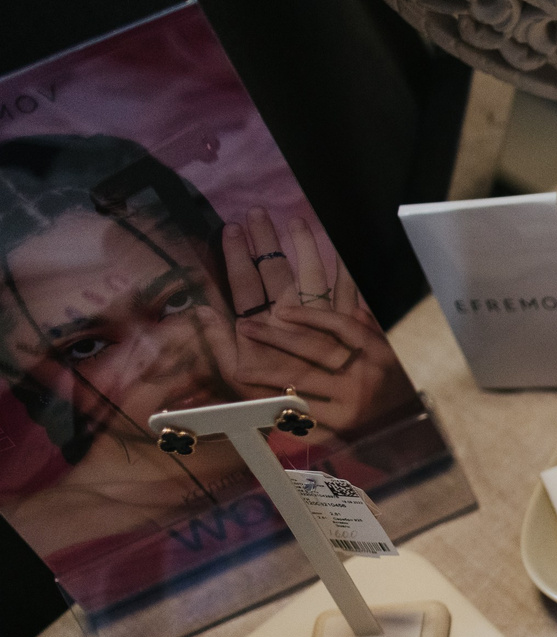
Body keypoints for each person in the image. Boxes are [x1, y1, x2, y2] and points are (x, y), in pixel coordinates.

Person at [0, 133, 415, 583]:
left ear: (225, 271)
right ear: (26, 381)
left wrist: (390, 431)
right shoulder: (74, 542)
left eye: (176, 301)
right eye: (85, 347)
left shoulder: (349, 389)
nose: (162, 357)